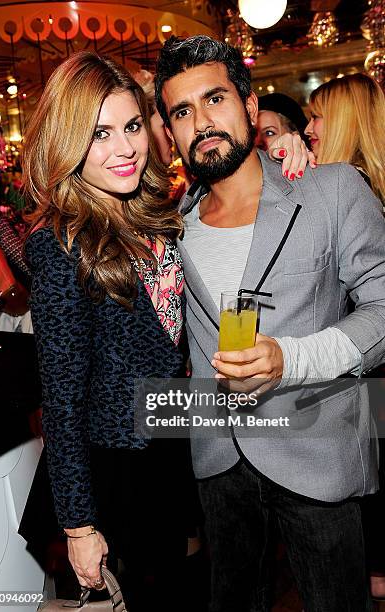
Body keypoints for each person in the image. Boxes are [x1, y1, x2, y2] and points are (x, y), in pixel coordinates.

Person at [154, 35, 385, 612]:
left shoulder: (330, 189)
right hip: (219, 461)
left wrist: (292, 360)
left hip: (316, 448)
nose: (202, 122)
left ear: (251, 108)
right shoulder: (170, 225)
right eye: (183, 111)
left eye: (215, 99)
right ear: (170, 131)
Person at [22, 51, 198, 612]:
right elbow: (62, 398)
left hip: (171, 441)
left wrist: (287, 152)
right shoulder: (58, 245)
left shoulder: (155, 214)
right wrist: (77, 526)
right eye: (99, 134)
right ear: (69, 139)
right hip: (114, 468)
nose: (124, 148)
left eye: (130, 126)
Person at [305, 71, 385, 601]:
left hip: (365, 374)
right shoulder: (370, 187)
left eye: (316, 118)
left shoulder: (345, 190)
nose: (308, 128)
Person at [305, 73, 385, 202]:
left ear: (342, 121)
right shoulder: (365, 181)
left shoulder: (345, 184)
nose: (307, 130)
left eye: (315, 117)